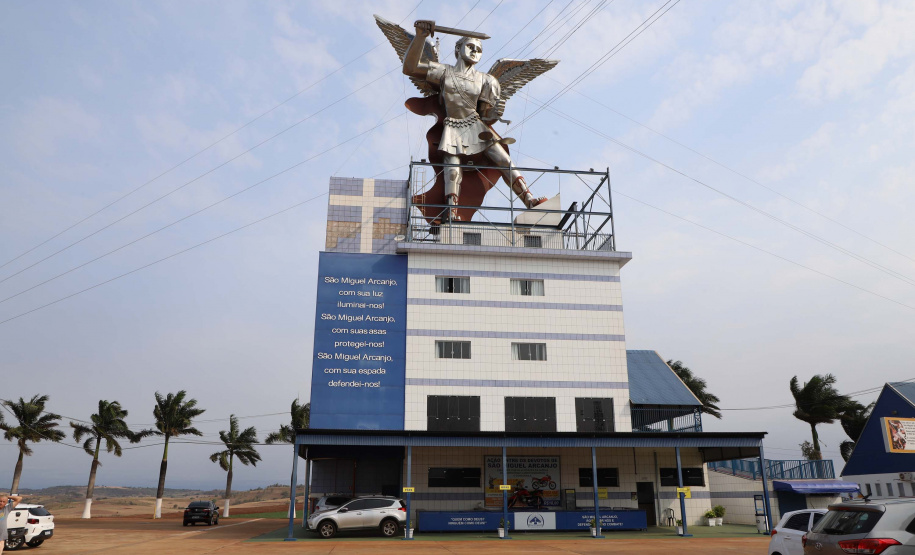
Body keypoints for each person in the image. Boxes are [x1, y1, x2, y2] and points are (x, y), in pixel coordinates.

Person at [403, 20, 547, 220]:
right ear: (458, 48)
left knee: (504, 160)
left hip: (475, 125)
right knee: (452, 170)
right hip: (452, 126)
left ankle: (529, 199)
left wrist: (495, 113)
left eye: (479, 50)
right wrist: (420, 36)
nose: (475, 51)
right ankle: (451, 209)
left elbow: (486, 114)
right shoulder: (444, 72)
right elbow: (410, 67)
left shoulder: (486, 80)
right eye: (470, 46)